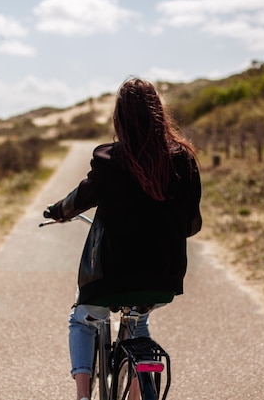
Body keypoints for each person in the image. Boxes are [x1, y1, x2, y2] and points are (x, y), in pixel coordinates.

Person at [44, 76, 202, 400]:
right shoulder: (183, 160)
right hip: (162, 278)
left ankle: (83, 397)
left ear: (120, 118)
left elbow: (81, 197)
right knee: (138, 321)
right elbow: (191, 224)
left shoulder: (109, 160)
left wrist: (59, 211)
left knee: (83, 320)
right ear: (158, 113)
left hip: (110, 278)